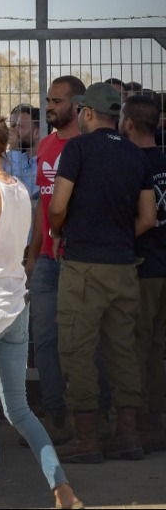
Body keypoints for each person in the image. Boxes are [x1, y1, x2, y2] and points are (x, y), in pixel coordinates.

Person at [0, 111, 82, 510]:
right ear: (6, 146)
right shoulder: (20, 190)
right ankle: (63, 490)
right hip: (15, 305)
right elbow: (23, 246)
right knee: (20, 410)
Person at [49, 82, 155, 463]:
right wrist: (117, 237)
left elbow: (58, 205)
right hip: (124, 265)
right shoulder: (135, 155)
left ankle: (87, 439)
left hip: (83, 266)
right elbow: (148, 218)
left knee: (77, 349)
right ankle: (128, 435)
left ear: (88, 113)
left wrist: (58, 232)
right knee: (123, 351)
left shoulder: (77, 148)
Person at [27, 74, 86, 444]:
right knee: (43, 339)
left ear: (78, 106)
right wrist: (33, 256)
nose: (49, 107)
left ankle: (89, 418)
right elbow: (42, 206)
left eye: (57, 101)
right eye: (48, 100)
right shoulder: (46, 144)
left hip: (80, 258)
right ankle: (56, 418)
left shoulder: (88, 146)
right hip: (47, 261)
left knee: (81, 340)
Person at [121, 94, 166, 451]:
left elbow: (144, 219)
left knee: (135, 349)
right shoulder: (164, 159)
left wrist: (116, 239)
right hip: (161, 266)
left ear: (128, 123)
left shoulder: (131, 162)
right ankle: (154, 424)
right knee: (155, 349)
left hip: (143, 267)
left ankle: (135, 428)